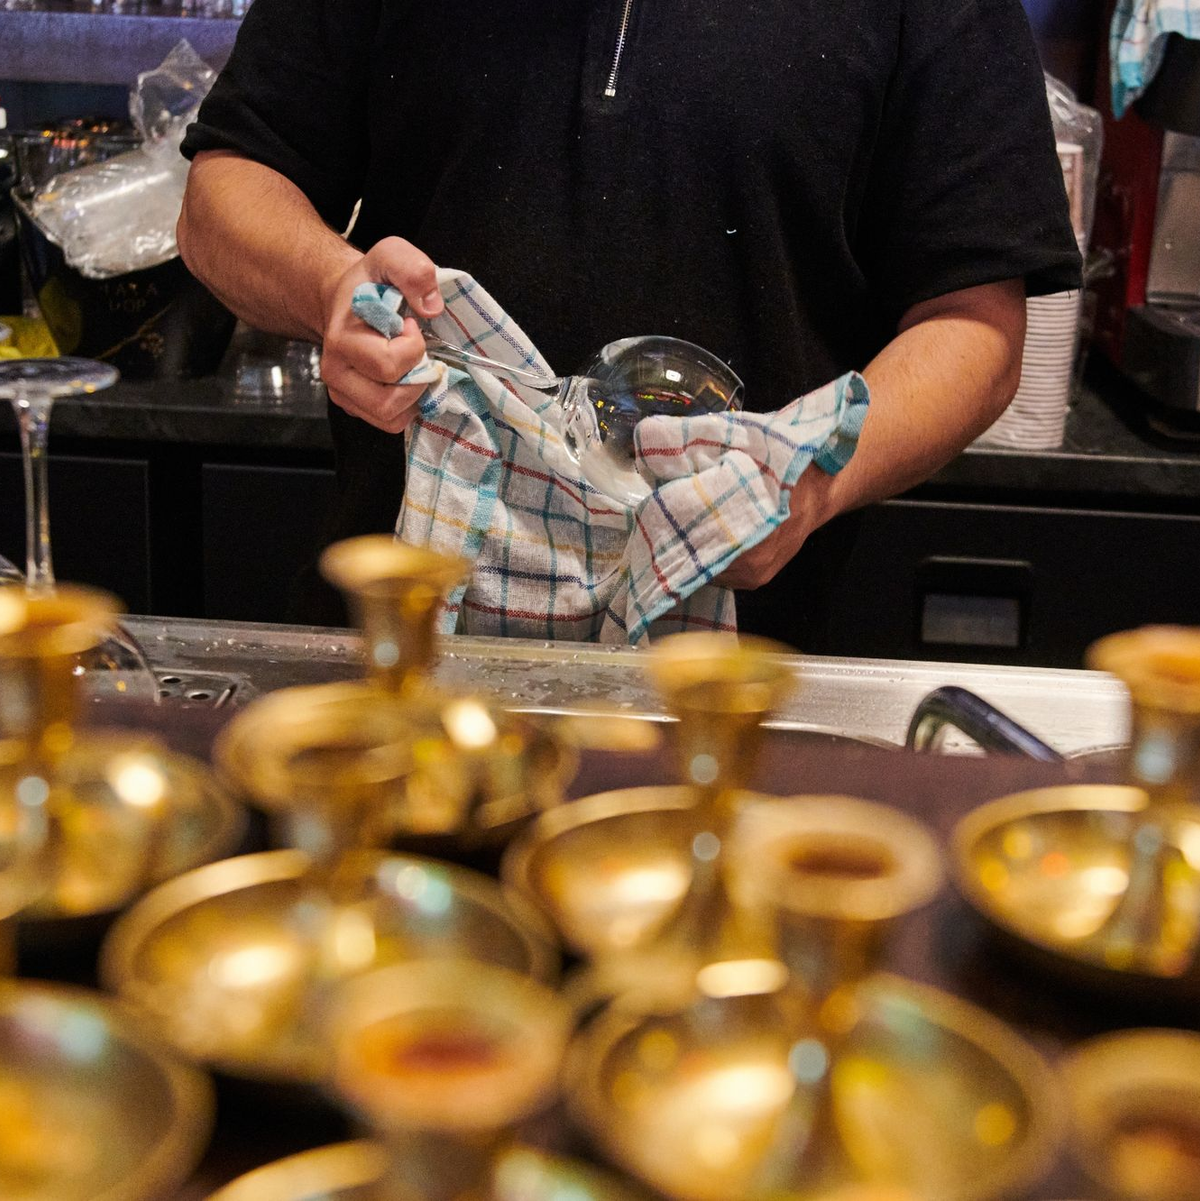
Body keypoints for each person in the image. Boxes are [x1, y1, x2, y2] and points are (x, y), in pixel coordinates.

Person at [177, 0, 1080, 644]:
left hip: (744, 676)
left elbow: (976, 325)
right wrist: (331, 284)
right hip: (402, 646)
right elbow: (223, 196)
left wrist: (808, 486)